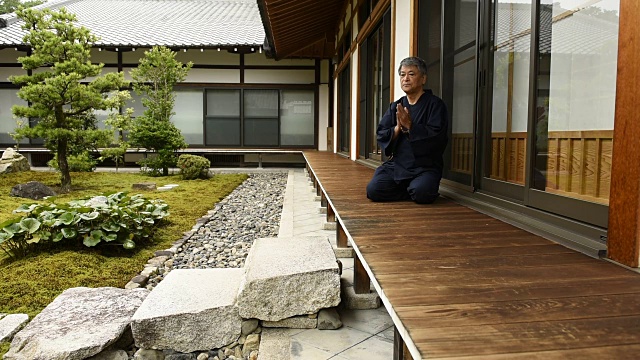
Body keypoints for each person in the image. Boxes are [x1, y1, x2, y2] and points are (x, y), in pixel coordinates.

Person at [366, 57, 448, 204]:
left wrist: (411, 126)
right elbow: (382, 133)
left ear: (423, 78)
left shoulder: (435, 105)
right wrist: (397, 128)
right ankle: (409, 189)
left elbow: (437, 138)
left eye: (411, 74)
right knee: (374, 190)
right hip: (398, 166)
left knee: (422, 193)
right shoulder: (396, 106)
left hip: (425, 166)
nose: (406, 79)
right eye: (402, 75)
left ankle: (415, 188)